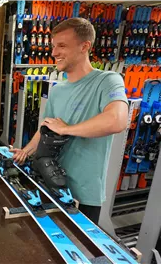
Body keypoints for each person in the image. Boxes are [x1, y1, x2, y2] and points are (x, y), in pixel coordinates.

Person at [11, 18, 129, 224]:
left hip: (83, 195)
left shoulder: (107, 80)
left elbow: (117, 120)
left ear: (85, 46)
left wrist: (67, 129)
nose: (54, 53)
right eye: (54, 46)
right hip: (50, 184)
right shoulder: (57, 90)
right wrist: (25, 152)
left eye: (62, 46)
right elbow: (46, 129)